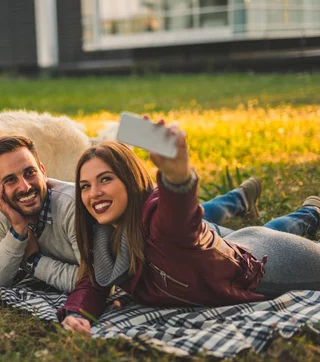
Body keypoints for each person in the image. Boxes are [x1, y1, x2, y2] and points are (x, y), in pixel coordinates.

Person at [60, 119, 320, 334]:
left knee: (272, 236)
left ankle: (311, 212)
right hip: (241, 243)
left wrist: (177, 176)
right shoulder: (104, 236)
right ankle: (309, 210)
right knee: (266, 230)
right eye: (85, 186)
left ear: (129, 180)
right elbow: (93, 283)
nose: (94, 193)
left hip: (269, 268)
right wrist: (77, 314)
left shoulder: (155, 220)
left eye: (105, 179)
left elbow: (178, 213)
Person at [0, 135, 264, 294]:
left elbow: (93, 280)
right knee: (202, 219)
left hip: (153, 229)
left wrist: (34, 260)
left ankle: (305, 214)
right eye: (11, 180)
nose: (25, 187)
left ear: (42, 169)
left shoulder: (73, 206)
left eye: (29, 173)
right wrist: (17, 232)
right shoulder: (7, 211)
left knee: (246, 241)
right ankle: (237, 199)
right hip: (156, 227)